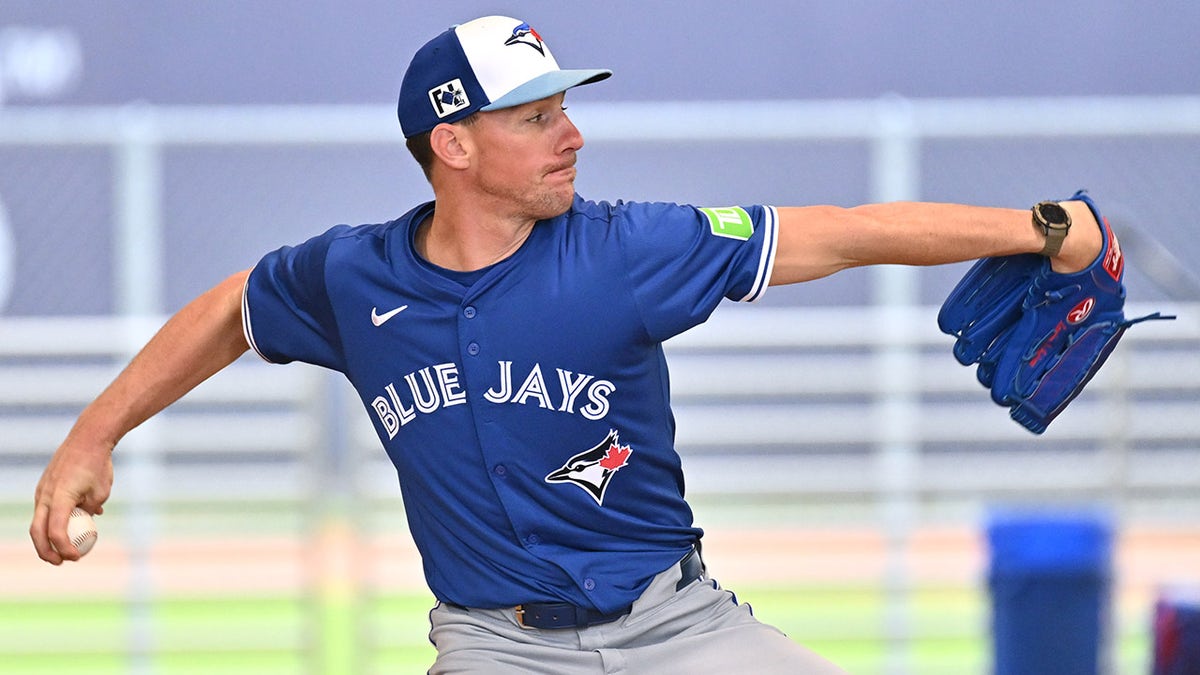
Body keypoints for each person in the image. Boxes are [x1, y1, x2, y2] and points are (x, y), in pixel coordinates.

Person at [31, 15, 1103, 674]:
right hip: (492, 646)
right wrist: (93, 435)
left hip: (680, 632)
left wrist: (1043, 228)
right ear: (453, 144)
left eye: (562, 109)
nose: (572, 134)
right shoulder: (354, 277)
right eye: (535, 117)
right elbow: (232, 308)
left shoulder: (626, 249)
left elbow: (840, 231)